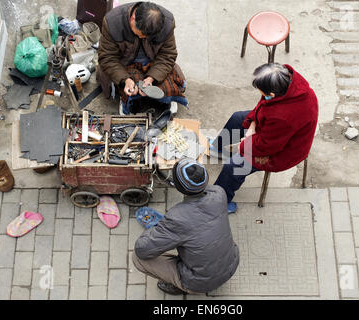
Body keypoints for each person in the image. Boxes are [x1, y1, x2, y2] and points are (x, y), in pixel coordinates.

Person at [211, 63, 319, 214]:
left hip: (283, 151)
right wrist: (252, 127)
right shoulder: (287, 84)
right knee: (238, 118)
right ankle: (217, 148)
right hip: (273, 131)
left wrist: (244, 144)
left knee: (234, 165)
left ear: (272, 94)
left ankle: (219, 203)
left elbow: (267, 146)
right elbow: (262, 107)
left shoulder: (284, 117)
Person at [132, 158, 240, 295]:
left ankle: (182, 286)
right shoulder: (219, 193)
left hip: (200, 282)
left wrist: (158, 229)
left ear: (178, 187)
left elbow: (142, 249)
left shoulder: (176, 217)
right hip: (232, 263)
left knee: (138, 258)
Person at [97, 1, 187, 115]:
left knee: (170, 86)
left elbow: (167, 55)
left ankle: (168, 100)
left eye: (146, 36)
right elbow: (107, 57)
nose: (142, 37)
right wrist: (126, 79)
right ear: (132, 19)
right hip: (125, 64)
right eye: (140, 34)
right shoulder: (112, 22)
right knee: (130, 90)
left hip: (153, 62)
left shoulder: (167, 22)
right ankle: (125, 96)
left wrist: (151, 78)